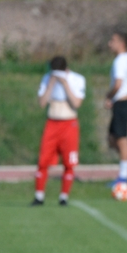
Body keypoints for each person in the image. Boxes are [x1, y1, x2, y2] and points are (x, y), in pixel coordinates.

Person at [32, 56, 86, 207]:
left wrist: (65, 83)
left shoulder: (77, 79)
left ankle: (63, 197)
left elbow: (77, 103)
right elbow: (42, 103)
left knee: (69, 162)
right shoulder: (47, 78)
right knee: (43, 161)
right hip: (52, 123)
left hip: (69, 124)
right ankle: (39, 196)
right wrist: (51, 84)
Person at [104, 32, 127, 185]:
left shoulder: (120, 60)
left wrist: (109, 96)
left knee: (121, 139)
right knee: (112, 139)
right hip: (125, 102)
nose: (109, 43)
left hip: (122, 103)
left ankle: (123, 176)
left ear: (121, 42)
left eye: (112, 40)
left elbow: (118, 83)